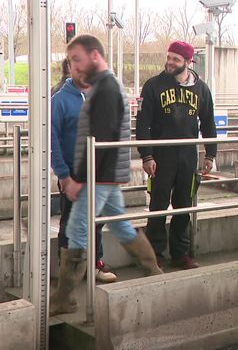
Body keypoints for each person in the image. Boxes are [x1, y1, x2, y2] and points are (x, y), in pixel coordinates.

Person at [50, 34, 162, 317]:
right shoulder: (107, 86)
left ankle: (64, 298)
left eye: (77, 59)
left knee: (76, 230)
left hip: (99, 175)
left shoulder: (105, 90)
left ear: (95, 56)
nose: (73, 66)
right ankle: (155, 273)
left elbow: (97, 140)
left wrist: (78, 178)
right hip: (107, 174)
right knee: (122, 227)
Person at [136, 40, 217, 270]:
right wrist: (147, 155)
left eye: (176, 59)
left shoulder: (201, 89)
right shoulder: (153, 86)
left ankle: (181, 253)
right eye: (169, 57)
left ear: (188, 62)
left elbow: (209, 123)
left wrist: (211, 154)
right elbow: (143, 124)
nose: (170, 62)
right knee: (158, 208)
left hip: (188, 157)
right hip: (161, 157)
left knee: (184, 207)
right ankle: (155, 255)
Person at [51, 62, 117, 283]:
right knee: (70, 221)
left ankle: (95, 263)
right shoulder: (59, 100)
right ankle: (68, 270)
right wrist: (63, 174)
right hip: (73, 173)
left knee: (97, 219)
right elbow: (53, 140)